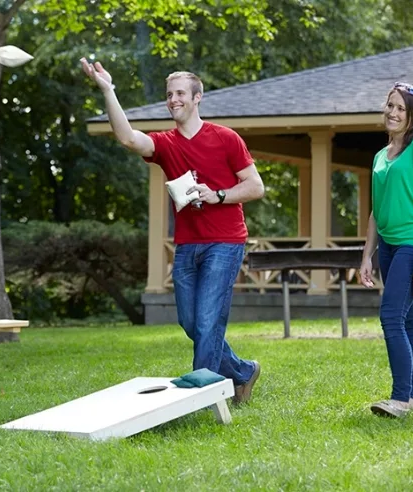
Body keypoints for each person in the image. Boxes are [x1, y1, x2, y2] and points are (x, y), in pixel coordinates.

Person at [81, 58, 264, 403]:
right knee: (191, 322)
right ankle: (243, 371)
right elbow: (126, 138)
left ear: (198, 98)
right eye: (169, 94)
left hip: (225, 242)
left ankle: (204, 394)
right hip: (187, 245)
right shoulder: (166, 143)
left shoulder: (226, 139)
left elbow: (255, 186)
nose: (173, 99)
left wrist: (219, 195)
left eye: (180, 93)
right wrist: (108, 89)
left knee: (209, 319)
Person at [360, 82, 413, 418]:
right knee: (410, 321)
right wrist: (366, 255)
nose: (393, 113)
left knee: (391, 316)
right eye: (390, 106)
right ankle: (411, 398)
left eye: (401, 109)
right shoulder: (381, 156)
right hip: (389, 246)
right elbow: (375, 211)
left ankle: (400, 398)